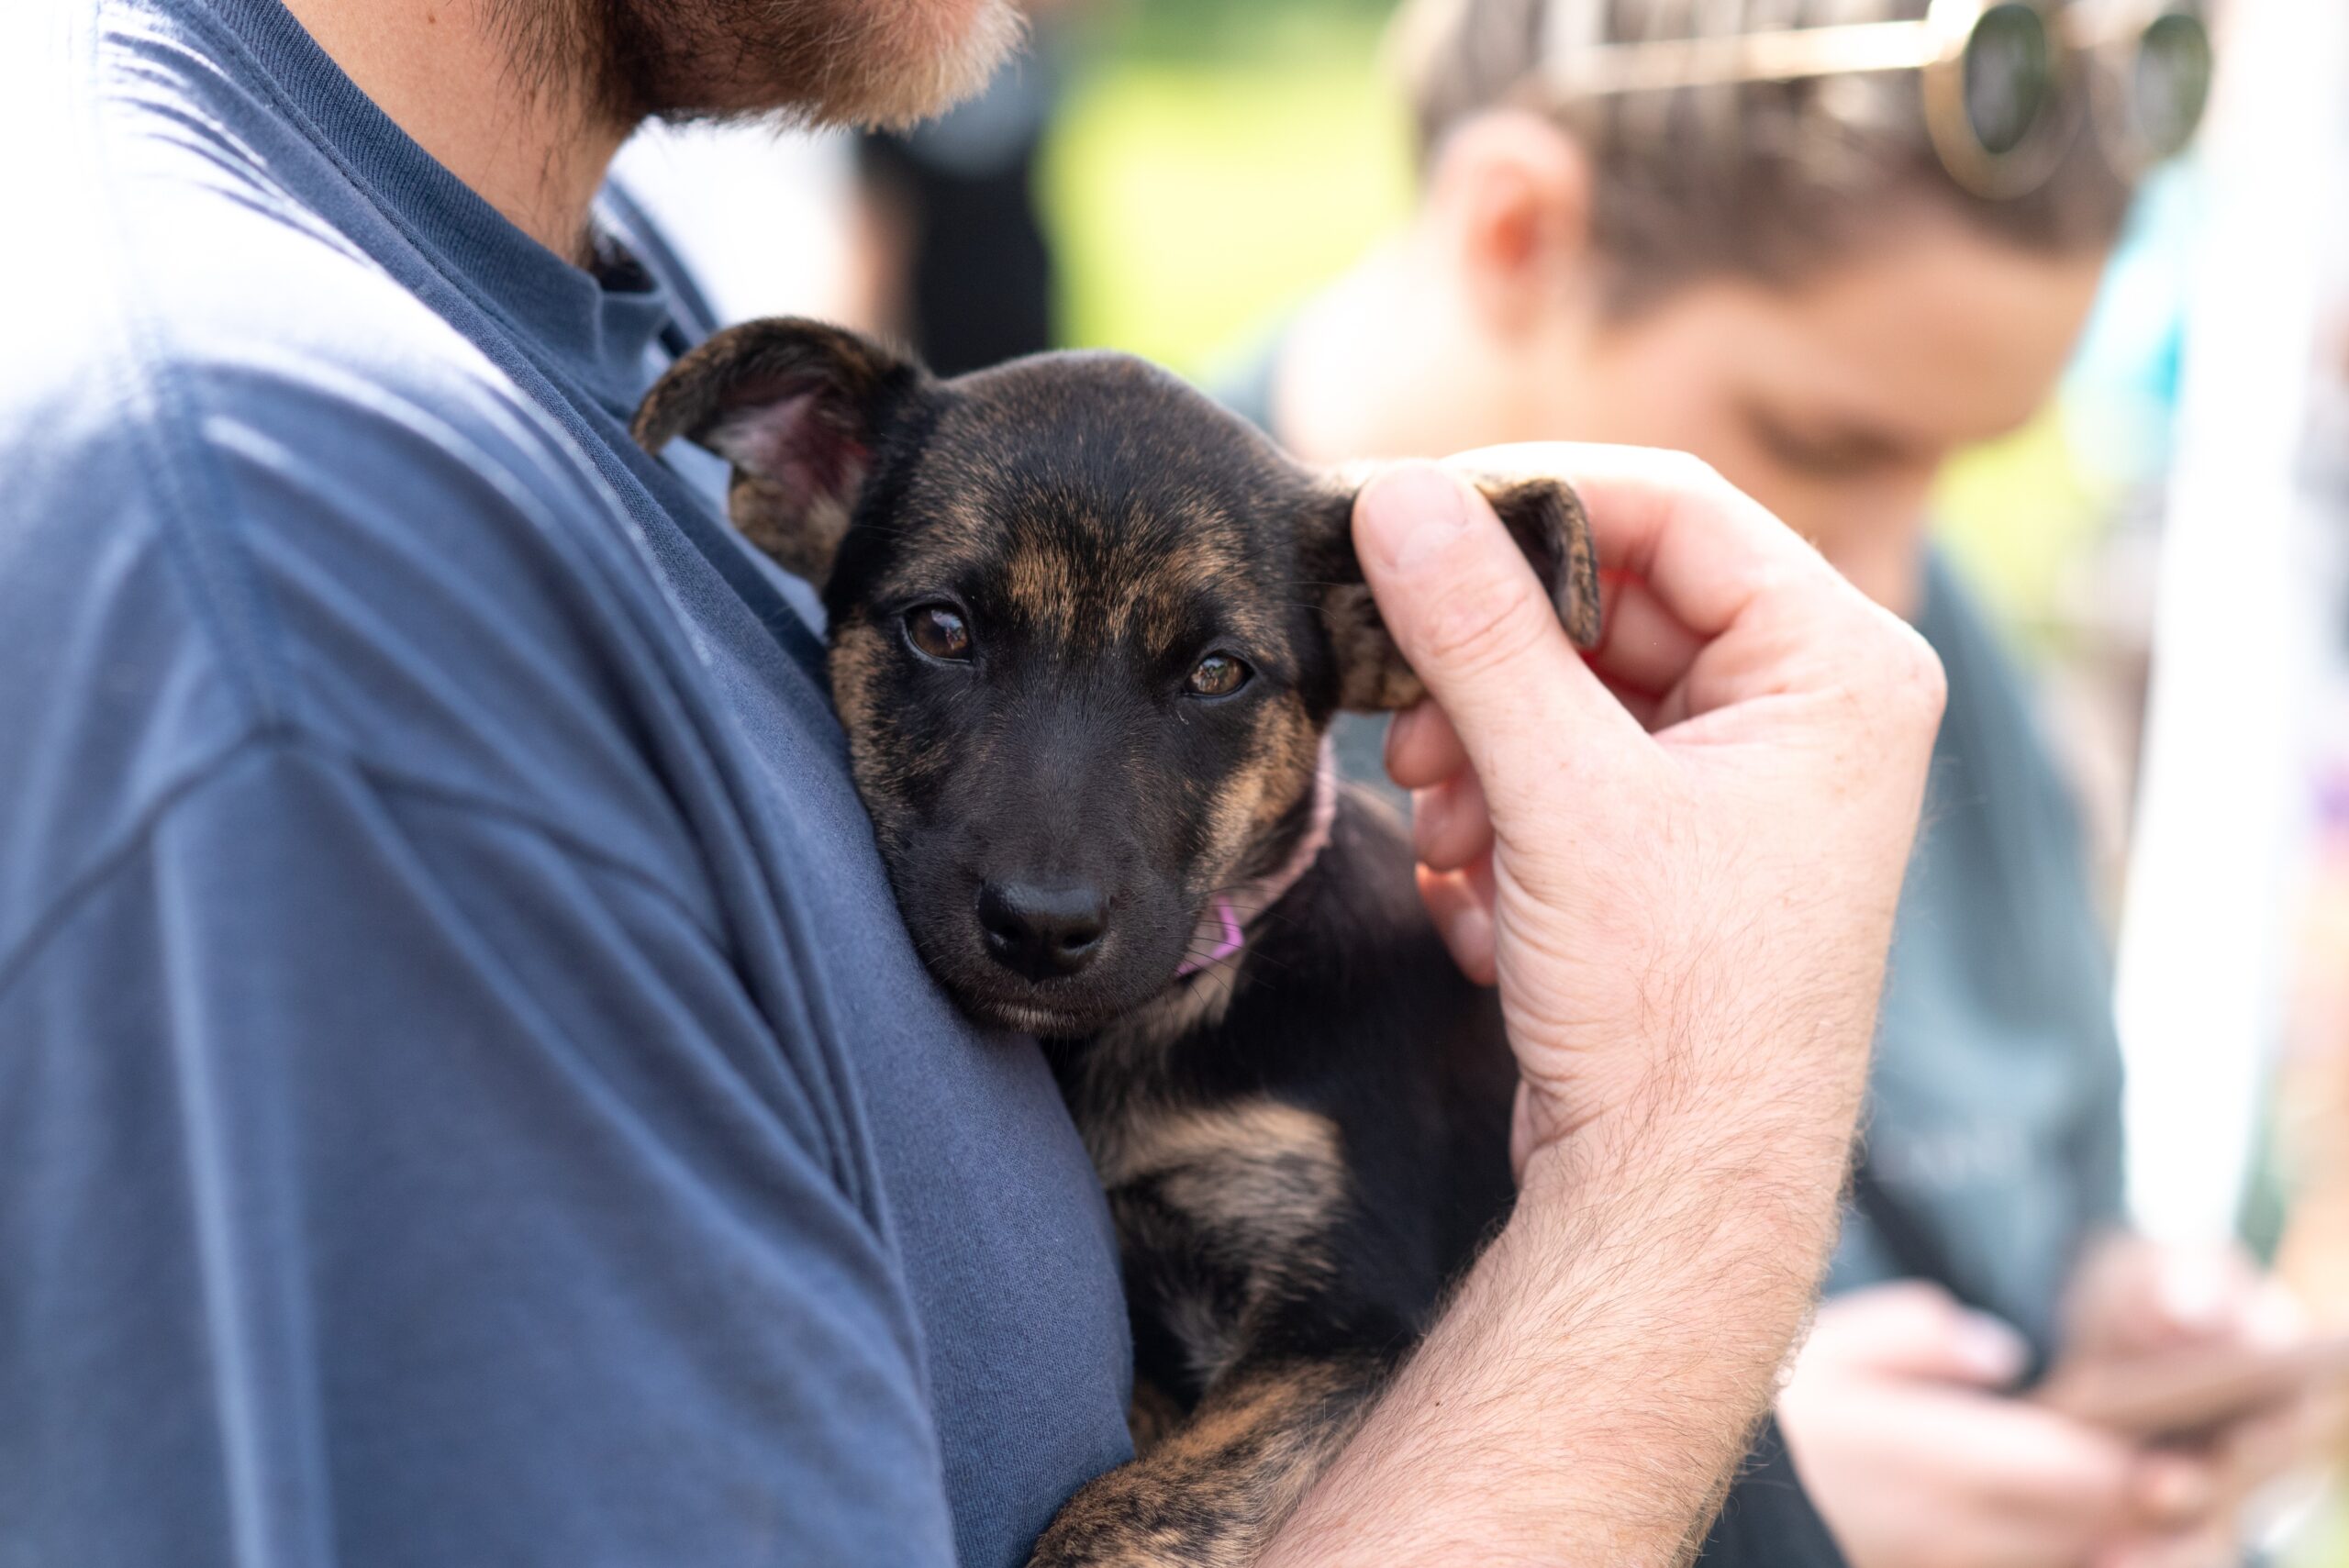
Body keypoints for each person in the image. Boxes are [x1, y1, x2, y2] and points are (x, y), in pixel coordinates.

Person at [0, 0, 1947, 1562]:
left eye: (1202, 679)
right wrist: (1697, 1150)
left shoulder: (570, 276)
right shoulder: (293, 566)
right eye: (944, 641)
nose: (1045, 847)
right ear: (798, 474)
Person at [1237, 1, 2316, 1563]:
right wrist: (1733, 1482)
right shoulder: (1103, 766)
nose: (1885, 588)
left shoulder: (1897, 627)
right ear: (1517, 230)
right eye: (1820, 441)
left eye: (1957, 469)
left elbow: (2045, 1147)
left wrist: (2120, 1305)